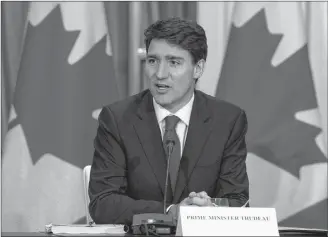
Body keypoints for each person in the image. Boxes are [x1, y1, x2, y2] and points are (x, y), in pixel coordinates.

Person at [88, 17, 249, 225]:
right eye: (153, 61)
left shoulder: (227, 120)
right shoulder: (118, 119)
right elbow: (103, 203)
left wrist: (210, 209)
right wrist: (172, 212)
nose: (160, 74)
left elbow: (238, 201)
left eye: (174, 62)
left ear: (198, 69)